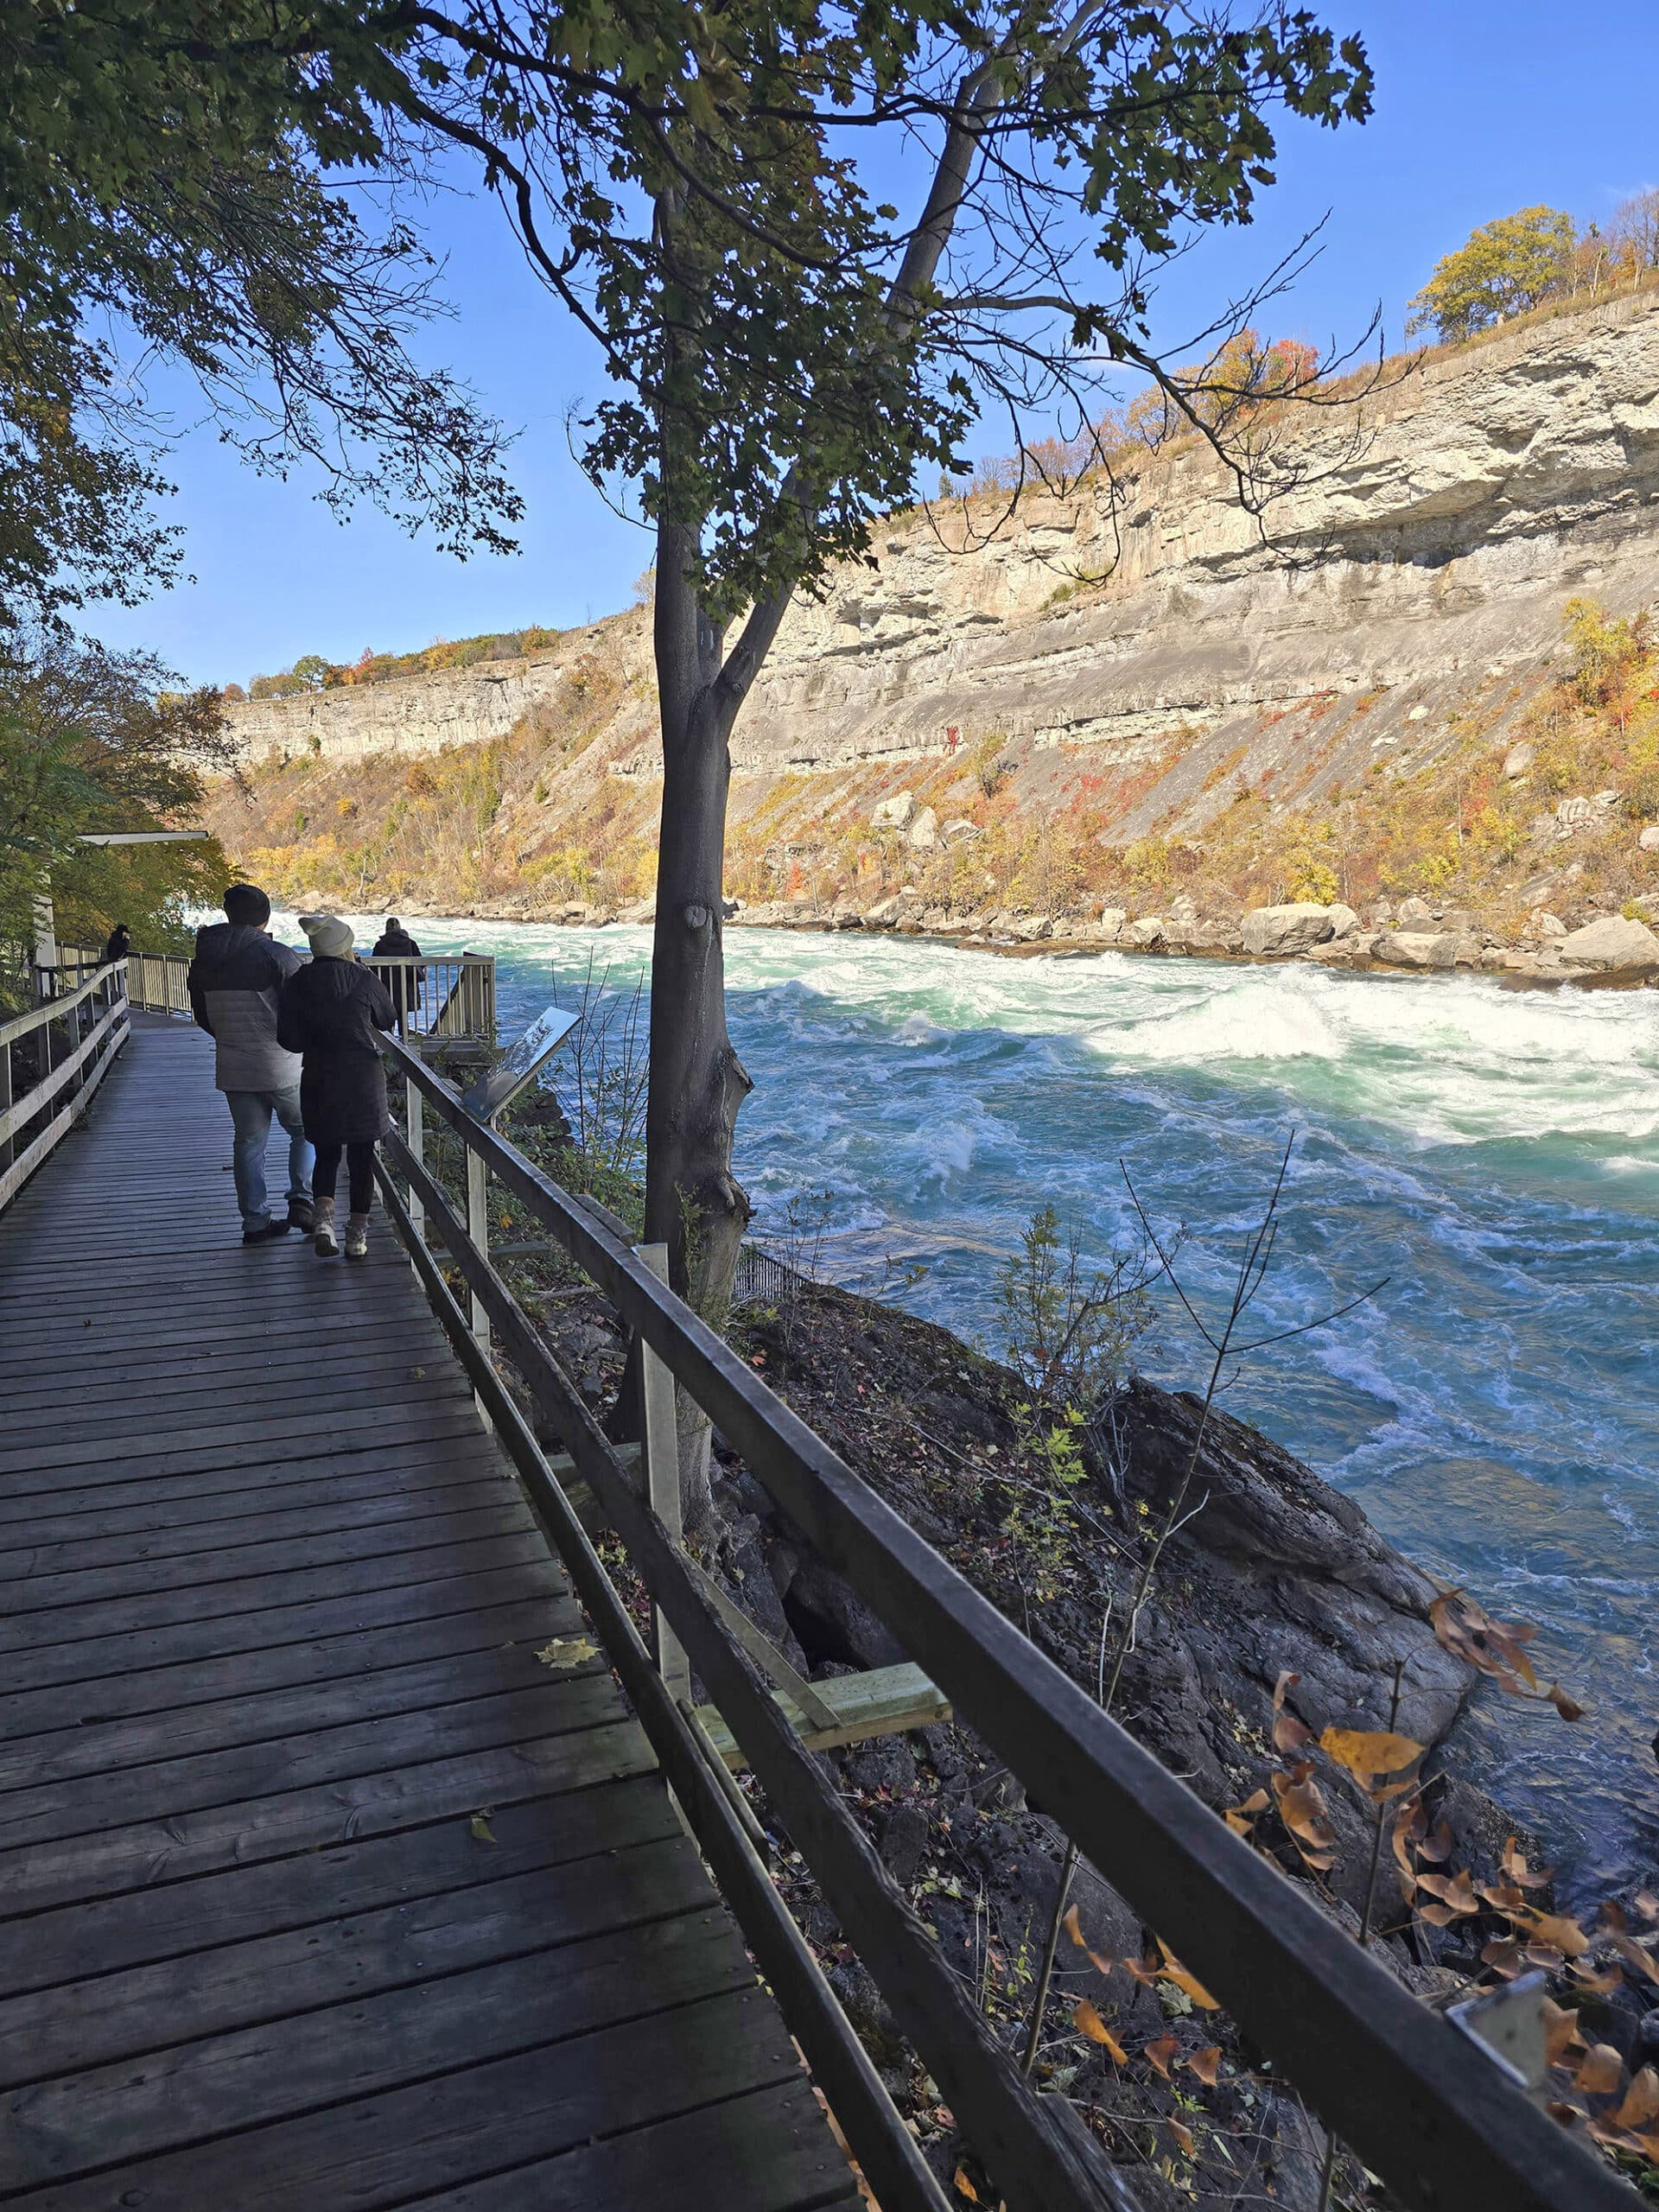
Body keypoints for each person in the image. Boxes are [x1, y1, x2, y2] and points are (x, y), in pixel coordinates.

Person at [187, 885, 314, 1244]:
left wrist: (231, 1039)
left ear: (230, 915)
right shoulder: (276, 955)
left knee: (248, 1143)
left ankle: (256, 1223)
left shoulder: (205, 959)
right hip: (280, 1063)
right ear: (265, 917)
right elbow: (302, 1008)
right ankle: (302, 1200)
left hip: (233, 1063)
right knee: (305, 1131)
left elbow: (203, 1017)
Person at [278, 913, 397, 1260]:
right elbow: (388, 1020)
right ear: (347, 947)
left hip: (319, 1075)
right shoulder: (363, 978)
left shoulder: (298, 982)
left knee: (327, 1154)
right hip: (362, 1077)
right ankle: (357, 1237)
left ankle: (325, 1223)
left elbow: (288, 1039)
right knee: (362, 1158)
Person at [370, 915, 425, 1030]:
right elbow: (420, 961)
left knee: (388, 1015)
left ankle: (390, 1040)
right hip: (407, 985)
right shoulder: (410, 943)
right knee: (403, 1016)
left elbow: (374, 967)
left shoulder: (380, 945)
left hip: (387, 986)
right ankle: (404, 1040)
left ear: (386, 928)